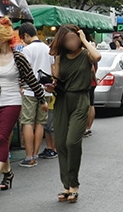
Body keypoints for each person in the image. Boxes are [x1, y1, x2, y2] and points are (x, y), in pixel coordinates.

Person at [0, 17, 48, 195]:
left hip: (13, 102)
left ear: (2, 39)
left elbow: (32, 80)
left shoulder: (19, 57)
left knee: (2, 137)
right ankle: (8, 174)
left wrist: (42, 100)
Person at [49, 24, 102, 203]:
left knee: (72, 142)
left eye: (73, 38)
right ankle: (66, 185)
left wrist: (85, 40)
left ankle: (74, 184)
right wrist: (51, 82)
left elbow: (98, 56)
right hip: (62, 100)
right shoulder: (61, 57)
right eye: (66, 40)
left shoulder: (86, 54)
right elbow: (56, 79)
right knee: (61, 143)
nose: (70, 42)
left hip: (81, 100)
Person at [18, 23, 54, 168]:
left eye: (22, 38)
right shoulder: (48, 49)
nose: (23, 41)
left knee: (27, 122)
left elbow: (23, 72)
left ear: (26, 35)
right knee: (40, 122)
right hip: (45, 90)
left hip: (29, 90)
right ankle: (35, 154)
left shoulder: (26, 50)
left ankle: (28, 157)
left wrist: (21, 86)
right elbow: (53, 69)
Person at [84, 39, 98, 137]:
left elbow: (92, 70)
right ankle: (88, 126)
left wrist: (94, 80)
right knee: (91, 104)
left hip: (87, 83)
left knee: (87, 105)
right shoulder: (94, 56)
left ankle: (85, 127)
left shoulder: (88, 56)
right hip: (92, 83)